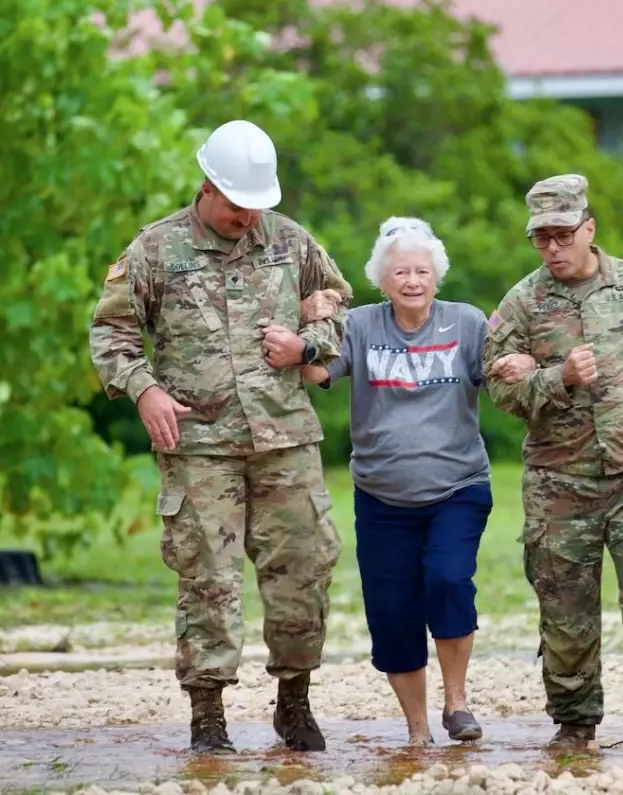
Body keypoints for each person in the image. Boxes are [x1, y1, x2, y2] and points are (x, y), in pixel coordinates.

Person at [89, 119, 354, 754]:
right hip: (200, 444)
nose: (247, 218)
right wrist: (143, 387)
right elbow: (112, 335)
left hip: (285, 438)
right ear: (207, 187)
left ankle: (295, 701)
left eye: (257, 206)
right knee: (207, 578)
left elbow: (339, 304)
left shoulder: (292, 243)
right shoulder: (155, 251)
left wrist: (306, 344)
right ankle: (208, 715)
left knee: (303, 569)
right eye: (238, 206)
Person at [482, 174, 623, 754]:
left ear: (589, 229)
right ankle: (574, 723)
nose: (552, 248)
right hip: (558, 481)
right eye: (541, 239)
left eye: (562, 235)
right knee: (564, 607)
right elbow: (498, 391)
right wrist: (557, 378)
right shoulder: (522, 303)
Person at [299, 217, 510, 747]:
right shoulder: (361, 325)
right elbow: (318, 372)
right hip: (380, 495)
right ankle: (417, 731)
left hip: (457, 486)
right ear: (382, 279)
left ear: (437, 275)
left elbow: (503, 374)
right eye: (400, 272)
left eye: (421, 270)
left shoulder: (465, 323)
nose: (412, 280)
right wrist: (303, 327)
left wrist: (515, 353)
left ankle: (457, 702)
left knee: (447, 579)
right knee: (393, 615)